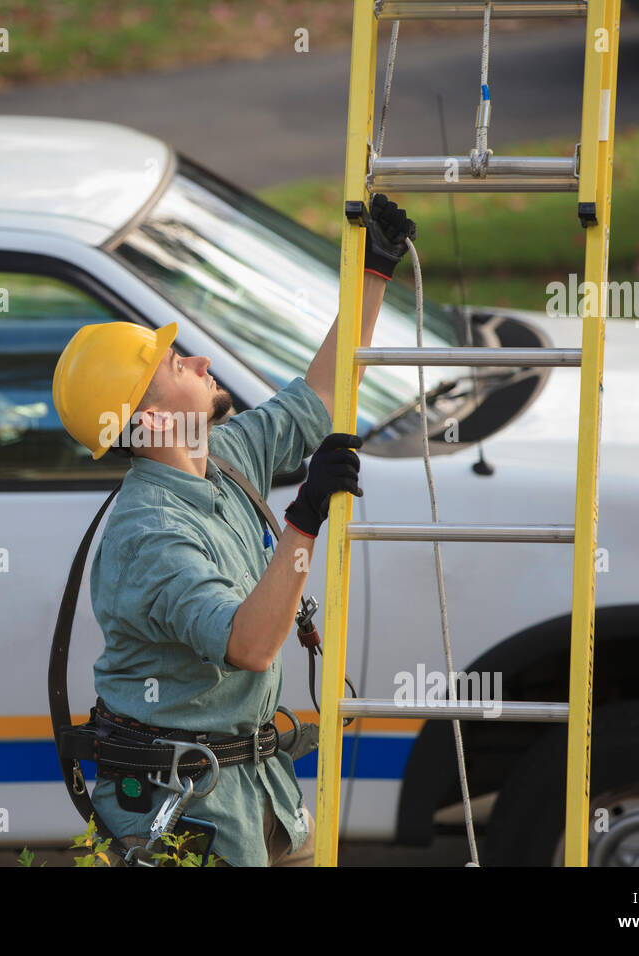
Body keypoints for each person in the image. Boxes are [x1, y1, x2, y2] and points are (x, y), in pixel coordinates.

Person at [50, 194, 416, 866]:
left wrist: (373, 273)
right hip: (187, 814)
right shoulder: (148, 537)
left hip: (261, 795)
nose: (192, 360)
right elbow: (249, 645)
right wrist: (305, 520)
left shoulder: (223, 455)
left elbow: (320, 400)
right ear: (154, 422)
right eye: (171, 366)